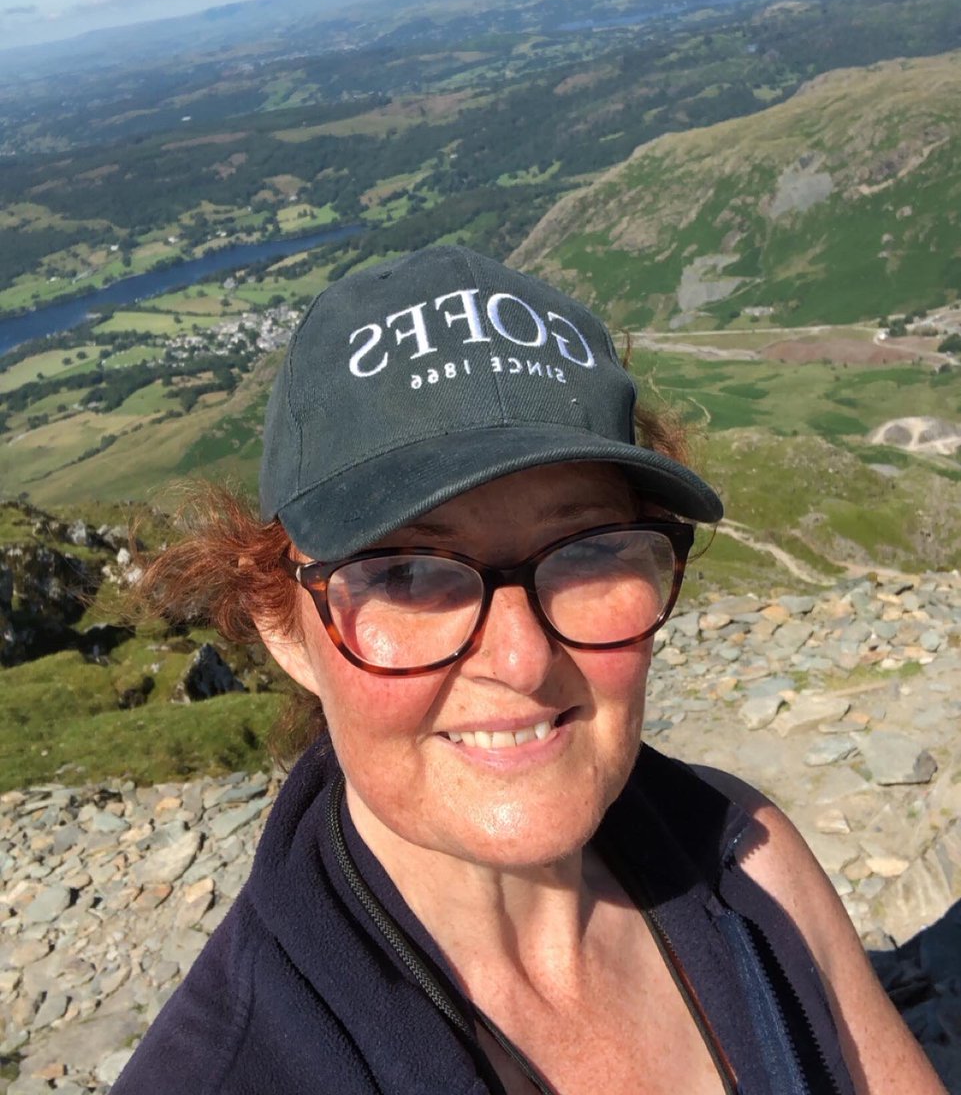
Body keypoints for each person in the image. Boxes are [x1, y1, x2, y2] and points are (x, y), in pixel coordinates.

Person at [113, 246, 944, 1095]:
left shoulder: (744, 858)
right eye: (406, 573)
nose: (520, 660)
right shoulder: (226, 1073)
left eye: (585, 554)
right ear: (284, 630)